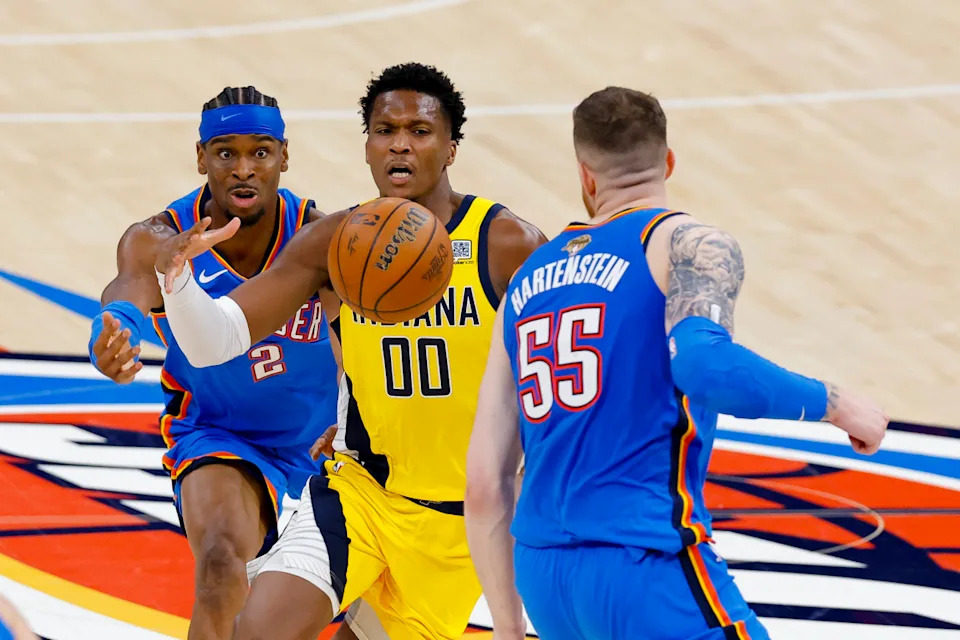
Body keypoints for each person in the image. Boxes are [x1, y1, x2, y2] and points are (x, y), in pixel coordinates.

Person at [463, 86, 890, 640]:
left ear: (586, 177)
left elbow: (485, 482)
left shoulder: (525, 282)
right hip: (646, 567)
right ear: (667, 161)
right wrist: (835, 404)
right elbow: (705, 367)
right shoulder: (688, 244)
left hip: (545, 579)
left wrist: (506, 625)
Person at [151, 62, 546, 640]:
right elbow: (216, 340)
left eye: (419, 131)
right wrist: (178, 282)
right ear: (366, 146)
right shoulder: (336, 242)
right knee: (258, 630)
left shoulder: (504, 244)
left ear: (451, 148)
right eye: (385, 131)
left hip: (458, 523)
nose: (400, 145)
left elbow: (560, 375)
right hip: (359, 495)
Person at [87, 86, 339, 640]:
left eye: (260, 152)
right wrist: (115, 329)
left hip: (326, 446)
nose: (244, 169)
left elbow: (365, 338)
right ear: (201, 158)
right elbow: (129, 287)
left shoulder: (319, 237)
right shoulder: (160, 238)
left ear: (284, 157)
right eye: (226, 153)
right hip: (222, 436)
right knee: (222, 565)